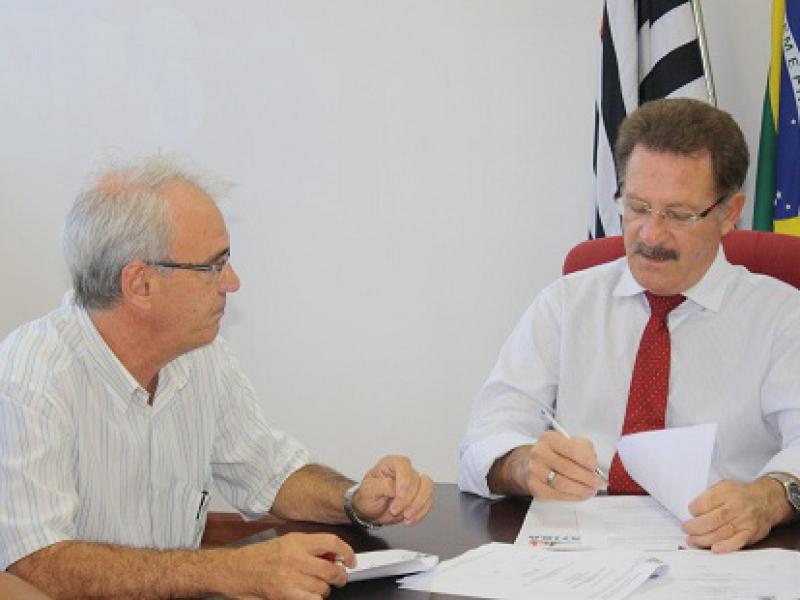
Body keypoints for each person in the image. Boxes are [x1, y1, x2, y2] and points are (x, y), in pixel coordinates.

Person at [0, 158, 434, 599]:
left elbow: (268, 472)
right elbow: (35, 564)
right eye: (213, 266)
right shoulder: (31, 378)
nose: (233, 282)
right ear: (140, 284)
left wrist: (354, 500)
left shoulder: (201, 355)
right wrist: (227, 570)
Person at [459, 98, 800, 553]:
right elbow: (483, 439)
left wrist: (769, 498)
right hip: (575, 552)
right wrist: (522, 465)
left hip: (721, 550)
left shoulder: (782, 317)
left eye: (678, 214)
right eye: (637, 207)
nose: (651, 235)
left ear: (729, 213)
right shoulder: (566, 303)